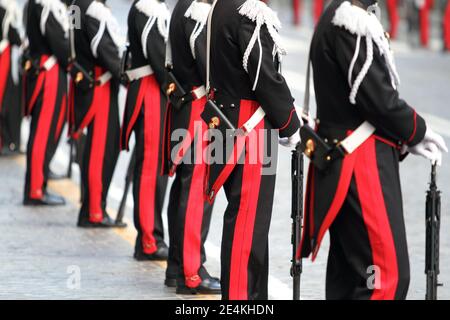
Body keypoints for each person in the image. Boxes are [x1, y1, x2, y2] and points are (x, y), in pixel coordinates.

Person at [299, 0, 448, 300]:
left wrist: (410, 137)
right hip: (361, 164)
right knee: (385, 274)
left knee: (353, 274)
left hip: (344, 157)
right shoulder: (350, 23)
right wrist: (417, 130)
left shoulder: (336, 15)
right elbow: (379, 99)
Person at [207, 0, 301, 300]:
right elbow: (265, 77)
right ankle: (239, 299)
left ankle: (253, 295)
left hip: (227, 120)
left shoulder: (222, 6)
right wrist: (290, 123)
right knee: (248, 222)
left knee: (247, 219)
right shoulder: (249, 13)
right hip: (250, 128)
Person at [165, 0, 220, 294]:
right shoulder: (197, 11)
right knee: (197, 190)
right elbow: (210, 66)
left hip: (187, 107)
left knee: (184, 189)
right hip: (198, 112)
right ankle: (191, 271)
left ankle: (176, 265)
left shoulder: (183, 6)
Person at [121, 0, 170, 261]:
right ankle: (148, 240)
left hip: (156, 91)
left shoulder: (153, 8)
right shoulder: (146, 9)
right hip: (151, 91)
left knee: (157, 169)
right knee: (150, 168)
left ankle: (154, 233)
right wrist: (180, 88)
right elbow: (160, 58)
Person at [69, 0, 126, 228]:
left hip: (90, 83)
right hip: (99, 86)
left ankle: (92, 208)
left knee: (99, 148)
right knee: (100, 152)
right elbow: (104, 50)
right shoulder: (93, 10)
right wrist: (127, 75)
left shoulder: (77, 6)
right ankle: (94, 211)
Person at [23, 0, 70, 206]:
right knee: (43, 133)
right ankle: (35, 189)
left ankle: (38, 183)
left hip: (45, 69)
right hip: (48, 72)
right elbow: (61, 46)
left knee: (45, 132)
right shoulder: (47, 5)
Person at [0, 0, 22, 156]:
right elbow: (14, 35)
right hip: (5, 59)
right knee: (6, 100)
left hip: (9, 59)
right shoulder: (6, 8)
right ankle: (8, 140)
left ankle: (10, 140)